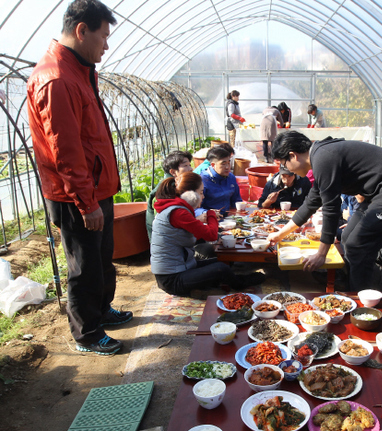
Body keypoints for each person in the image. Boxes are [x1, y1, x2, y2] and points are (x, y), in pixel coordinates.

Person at [27, 0, 131, 356]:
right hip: (74, 195)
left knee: (102, 258)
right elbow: (66, 151)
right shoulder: (57, 79)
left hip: (94, 186)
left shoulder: (79, 70)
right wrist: (86, 204)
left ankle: (102, 311)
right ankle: (87, 333)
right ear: (81, 30)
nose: (107, 44)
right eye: (103, 36)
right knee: (84, 266)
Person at [268, 130, 382, 291]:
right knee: (348, 236)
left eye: (285, 164)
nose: (288, 170)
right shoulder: (321, 156)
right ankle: (353, 280)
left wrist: (322, 254)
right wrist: (280, 234)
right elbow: (311, 203)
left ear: (293, 155)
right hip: (379, 193)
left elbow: (331, 208)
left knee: (358, 245)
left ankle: (359, 299)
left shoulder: (323, 158)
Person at [151, 173, 264, 297]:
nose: (203, 196)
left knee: (225, 260)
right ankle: (240, 284)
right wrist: (210, 214)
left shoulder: (176, 208)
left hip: (183, 267)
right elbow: (211, 235)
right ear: (190, 195)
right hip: (172, 278)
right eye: (200, 192)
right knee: (221, 268)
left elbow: (191, 235)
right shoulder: (178, 212)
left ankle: (205, 288)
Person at [146, 150, 194, 241]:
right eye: (185, 166)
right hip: (167, 243)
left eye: (190, 165)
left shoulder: (179, 185)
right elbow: (165, 224)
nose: (191, 169)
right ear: (173, 172)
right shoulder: (164, 191)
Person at [200, 146, 243, 214]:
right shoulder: (203, 180)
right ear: (213, 165)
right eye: (223, 164)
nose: (227, 167)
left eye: (228, 163)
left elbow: (236, 201)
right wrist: (208, 214)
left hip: (228, 218)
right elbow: (196, 208)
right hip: (209, 218)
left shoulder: (231, 177)